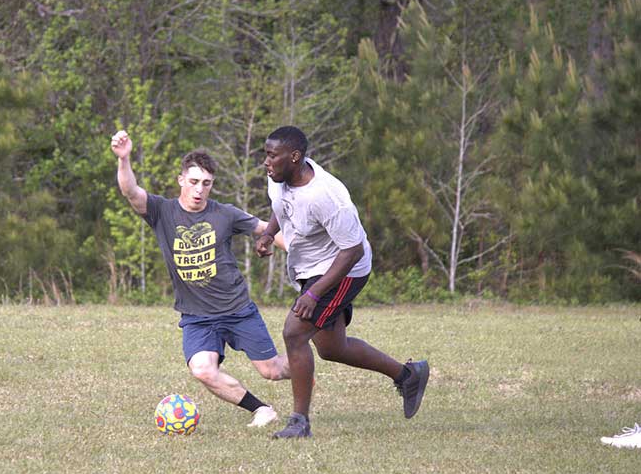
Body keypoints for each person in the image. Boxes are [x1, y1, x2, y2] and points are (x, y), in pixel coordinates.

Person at [255, 125, 429, 439]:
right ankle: (408, 375)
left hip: (345, 268)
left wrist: (316, 293)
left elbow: (352, 249)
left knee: (294, 333)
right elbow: (280, 206)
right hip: (312, 267)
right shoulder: (278, 178)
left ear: (294, 157)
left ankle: (299, 422)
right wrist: (269, 233)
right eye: (265, 154)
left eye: (272, 155)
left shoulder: (327, 196)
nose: (266, 162)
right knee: (331, 347)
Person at [111, 130, 288, 428]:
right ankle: (262, 410)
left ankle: (304, 362)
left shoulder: (225, 214)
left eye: (206, 183)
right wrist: (124, 158)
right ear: (181, 180)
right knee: (203, 370)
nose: (199, 190)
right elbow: (131, 191)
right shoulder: (162, 211)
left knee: (272, 371)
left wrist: (303, 254)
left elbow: (265, 230)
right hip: (197, 317)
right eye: (193, 182)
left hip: (237, 309)